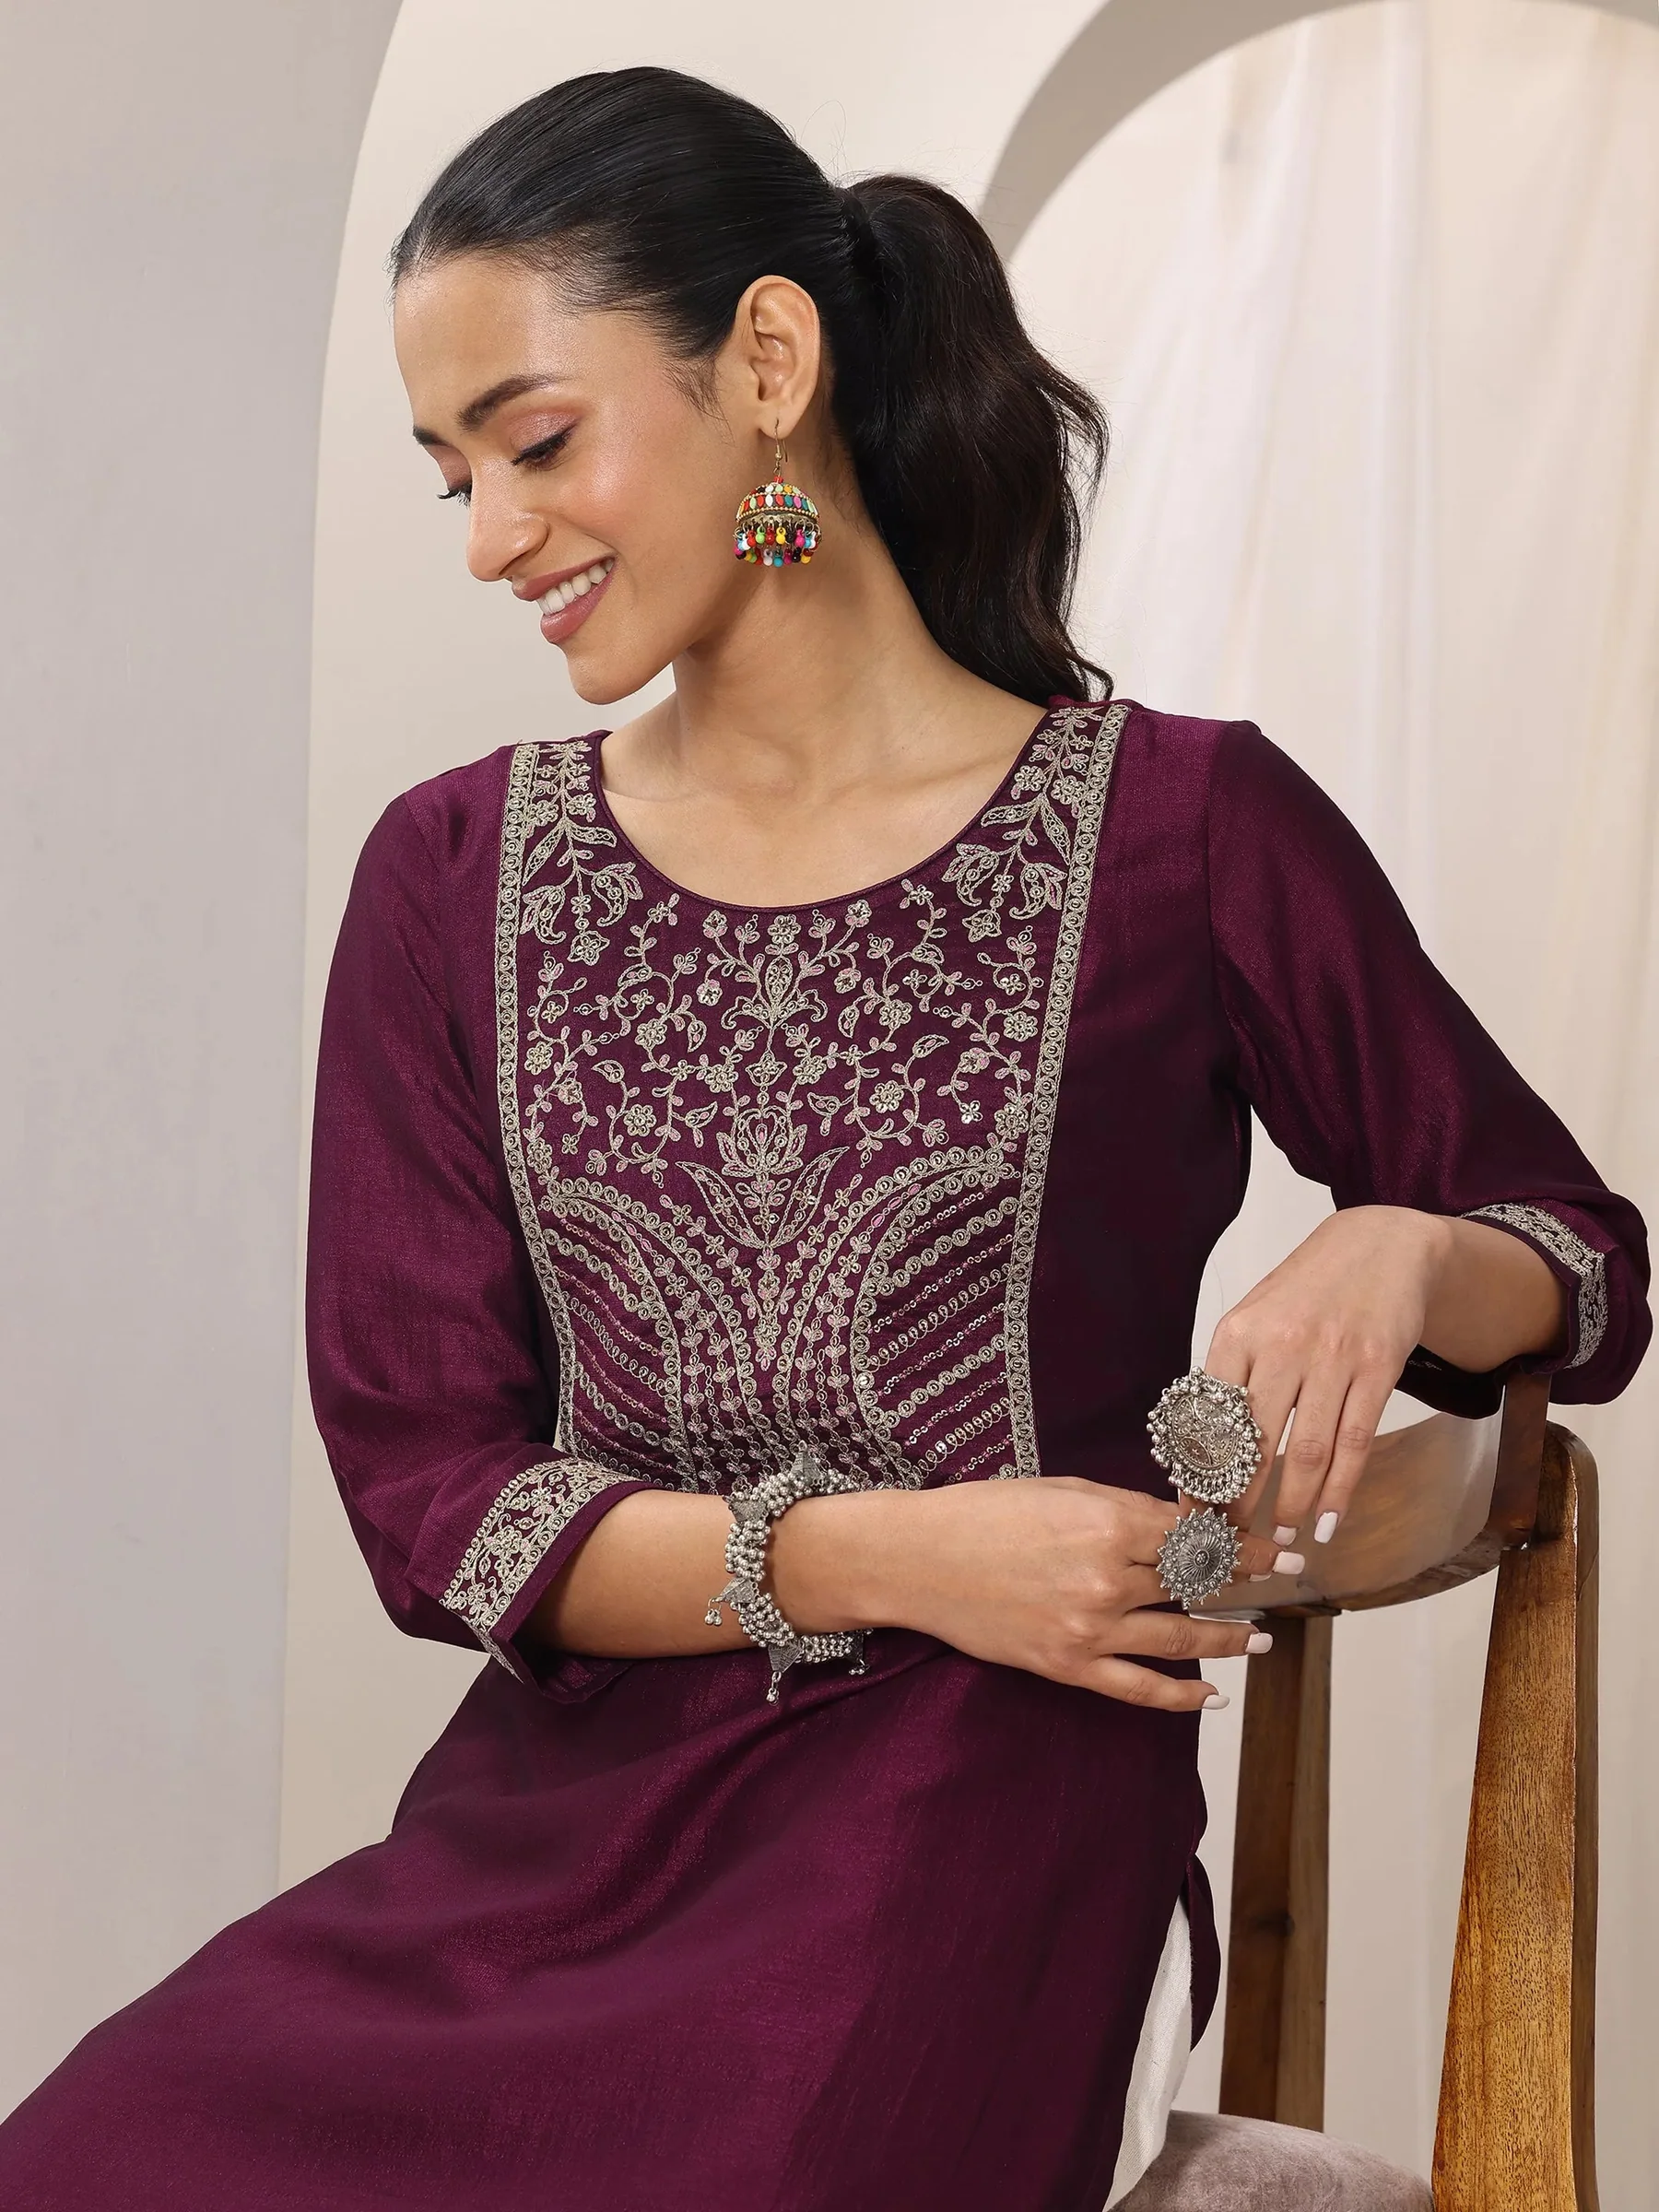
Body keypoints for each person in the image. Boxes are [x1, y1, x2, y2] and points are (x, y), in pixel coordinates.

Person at [0, 65, 1647, 2212]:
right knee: (90, 2159)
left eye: (537, 441)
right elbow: (432, 1496)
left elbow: (1579, 1262)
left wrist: (1409, 1246)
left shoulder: (1182, 834)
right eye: (452, 477)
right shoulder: (455, 879)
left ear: (767, 365)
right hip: (546, 1851)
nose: (491, 537)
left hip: (982, 1822)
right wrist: (885, 1553)